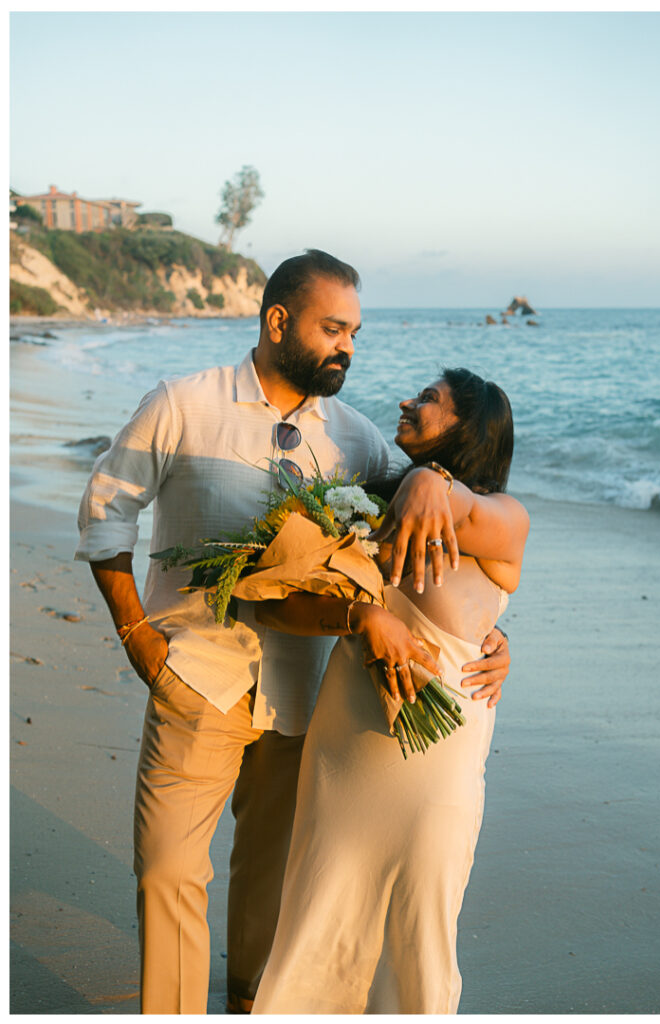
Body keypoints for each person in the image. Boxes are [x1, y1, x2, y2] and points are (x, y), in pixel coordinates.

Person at [75, 250, 511, 1014]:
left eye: (355, 332)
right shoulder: (183, 401)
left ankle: (250, 1005)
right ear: (278, 321)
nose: (347, 346)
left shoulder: (354, 437)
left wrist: (494, 639)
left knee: (269, 878)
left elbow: (442, 538)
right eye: (332, 328)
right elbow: (106, 508)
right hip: (196, 675)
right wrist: (138, 637)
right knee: (168, 872)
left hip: (307, 701)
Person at [251, 368, 529, 1014]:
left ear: (468, 430)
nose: (408, 401)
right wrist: (361, 615)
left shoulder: (503, 520)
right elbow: (275, 602)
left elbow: (468, 511)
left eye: (430, 400)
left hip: (437, 764)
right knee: (318, 916)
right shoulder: (364, 509)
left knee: (420, 933)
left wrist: (432, 480)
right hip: (345, 750)